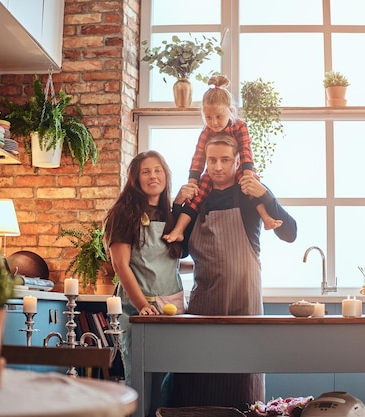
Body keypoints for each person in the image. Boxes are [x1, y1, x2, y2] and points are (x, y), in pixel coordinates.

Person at [167, 133, 297, 410]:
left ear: (238, 161)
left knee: (242, 387)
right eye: (212, 160)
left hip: (244, 307)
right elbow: (178, 251)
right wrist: (177, 205)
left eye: (225, 160)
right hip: (204, 304)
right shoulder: (198, 199)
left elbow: (290, 233)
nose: (217, 167)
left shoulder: (250, 194)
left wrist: (267, 195)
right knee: (198, 384)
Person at [163, 75, 283, 244]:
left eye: (219, 117)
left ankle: (266, 218)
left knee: (251, 187)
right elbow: (198, 157)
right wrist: (193, 183)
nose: (214, 122)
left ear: (231, 112)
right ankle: (179, 229)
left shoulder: (239, 126)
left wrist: (248, 176)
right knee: (195, 197)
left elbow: (245, 150)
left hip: (242, 168)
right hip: (207, 267)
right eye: (209, 117)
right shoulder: (206, 132)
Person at [103, 150, 188, 385]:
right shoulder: (123, 214)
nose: (153, 176)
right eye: (146, 172)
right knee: (139, 379)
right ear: (136, 178)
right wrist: (142, 305)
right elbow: (120, 265)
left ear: (166, 176)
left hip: (172, 308)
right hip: (139, 309)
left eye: (158, 170)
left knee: (167, 381)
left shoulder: (171, 215)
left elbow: (170, 260)